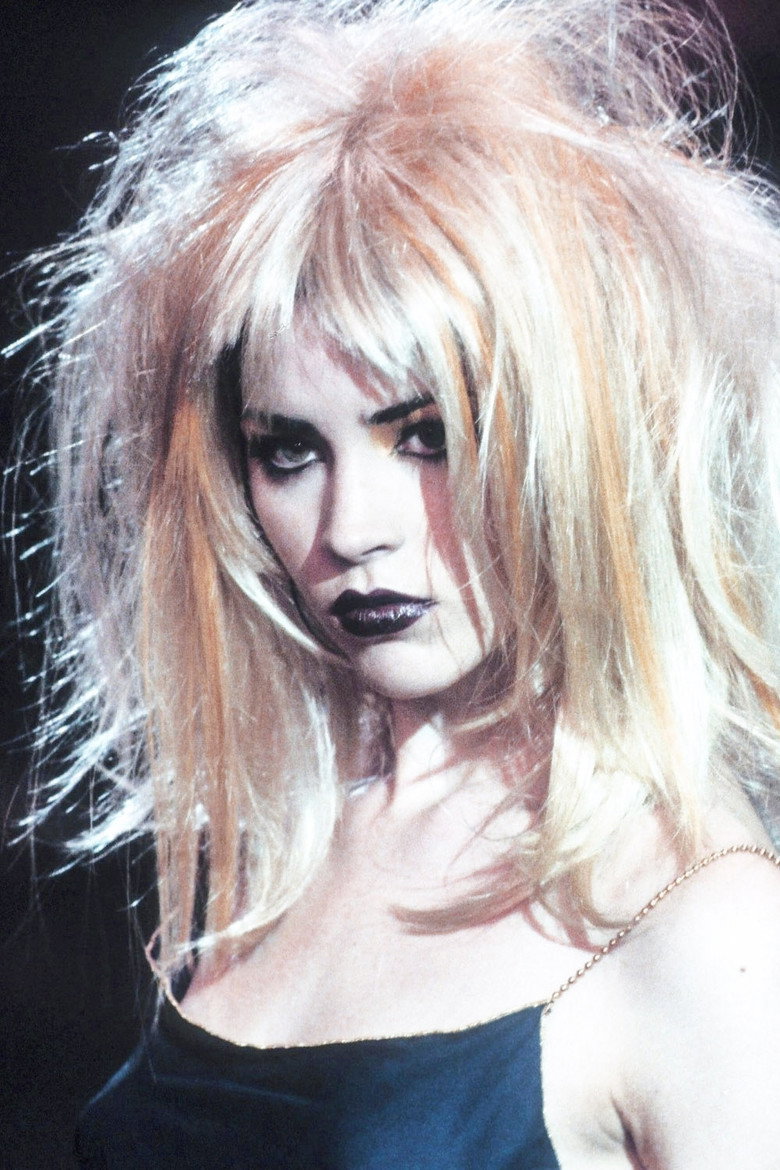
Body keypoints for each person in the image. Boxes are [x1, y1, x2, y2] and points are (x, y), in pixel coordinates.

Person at [18, 0, 780, 1164]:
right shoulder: (285, 844)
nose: (351, 530)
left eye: (427, 436)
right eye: (288, 451)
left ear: (580, 443)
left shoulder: (707, 931)